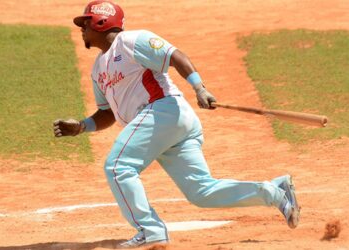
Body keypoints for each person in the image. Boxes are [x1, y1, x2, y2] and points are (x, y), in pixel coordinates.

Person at [53, 0, 300, 248]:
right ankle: (275, 192)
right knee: (201, 192)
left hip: (163, 112)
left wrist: (199, 88)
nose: (81, 28)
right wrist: (82, 126)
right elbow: (107, 114)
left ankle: (150, 231)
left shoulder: (131, 41)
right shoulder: (98, 68)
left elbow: (175, 56)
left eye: (85, 22)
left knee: (118, 167)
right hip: (163, 125)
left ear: (101, 21)